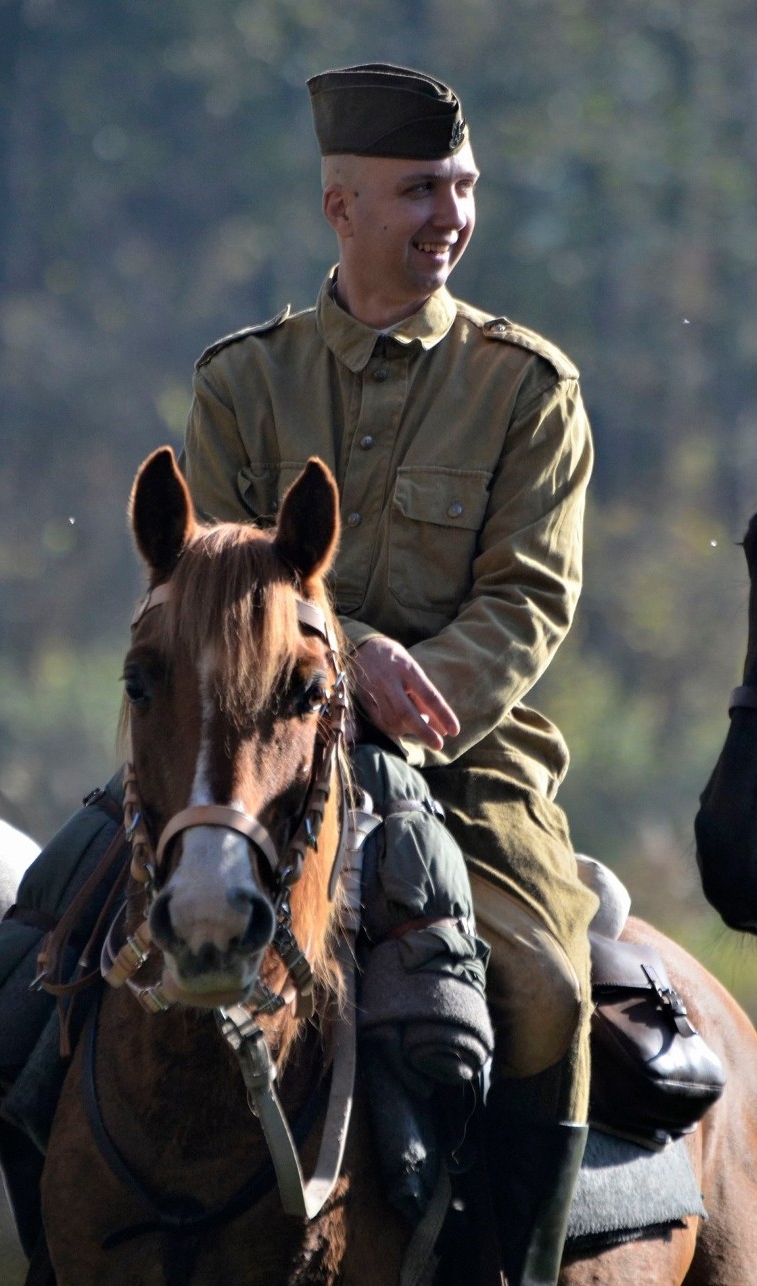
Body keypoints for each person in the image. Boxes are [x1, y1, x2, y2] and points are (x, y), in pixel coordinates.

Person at [181, 62, 599, 1285]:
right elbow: (208, 577)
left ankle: (514, 1262)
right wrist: (340, 653)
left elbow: (531, 598)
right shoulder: (241, 382)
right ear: (341, 209)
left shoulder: (527, 388)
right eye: (421, 188)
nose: (451, 215)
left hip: (464, 763)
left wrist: (410, 691)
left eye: (464, 186)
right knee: (35, 954)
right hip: (247, 754)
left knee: (545, 990)